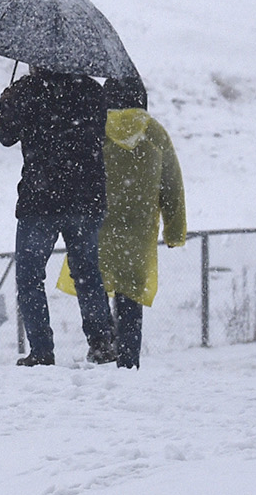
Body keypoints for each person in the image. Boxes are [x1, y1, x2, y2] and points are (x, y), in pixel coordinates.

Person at [0, 62, 119, 366]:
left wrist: (6, 102)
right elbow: (97, 136)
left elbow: (6, 136)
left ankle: (41, 350)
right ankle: (102, 342)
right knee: (88, 273)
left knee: (29, 277)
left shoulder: (25, 92)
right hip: (85, 195)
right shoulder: (91, 90)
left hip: (41, 199)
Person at [61, 82, 186, 368]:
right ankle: (128, 362)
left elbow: (76, 170)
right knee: (130, 299)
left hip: (97, 224)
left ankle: (103, 346)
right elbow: (172, 186)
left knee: (93, 285)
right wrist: (174, 231)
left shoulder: (94, 127)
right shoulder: (154, 133)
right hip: (138, 233)